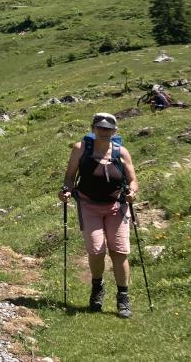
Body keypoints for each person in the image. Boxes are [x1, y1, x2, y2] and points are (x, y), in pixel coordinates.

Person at [60, 112, 138, 317]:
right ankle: (97, 287)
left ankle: (123, 298)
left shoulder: (121, 152)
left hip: (117, 206)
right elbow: (69, 177)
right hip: (89, 205)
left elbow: (132, 180)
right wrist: (66, 190)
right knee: (96, 251)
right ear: (93, 129)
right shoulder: (80, 149)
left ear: (114, 131)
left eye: (108, 129)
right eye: (100, 128)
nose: (104, 132)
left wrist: (132, 191)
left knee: (119, 252)